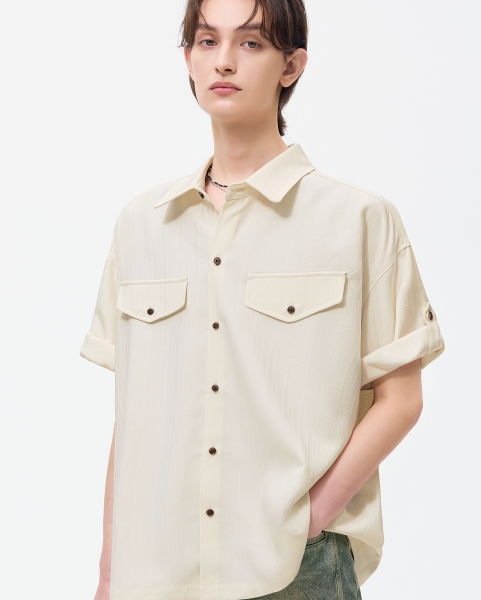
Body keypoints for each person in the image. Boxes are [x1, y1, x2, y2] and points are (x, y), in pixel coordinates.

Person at [80, 0, 445, 599]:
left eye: (250, 43)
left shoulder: (358, 219)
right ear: (189, 59)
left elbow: (401, 399)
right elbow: (132, 415)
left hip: (294, 568)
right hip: (154, 569)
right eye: (207, 41)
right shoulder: (140, 226)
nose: (224, 61)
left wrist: (307, 519)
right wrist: (108, 573)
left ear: (291, 65)